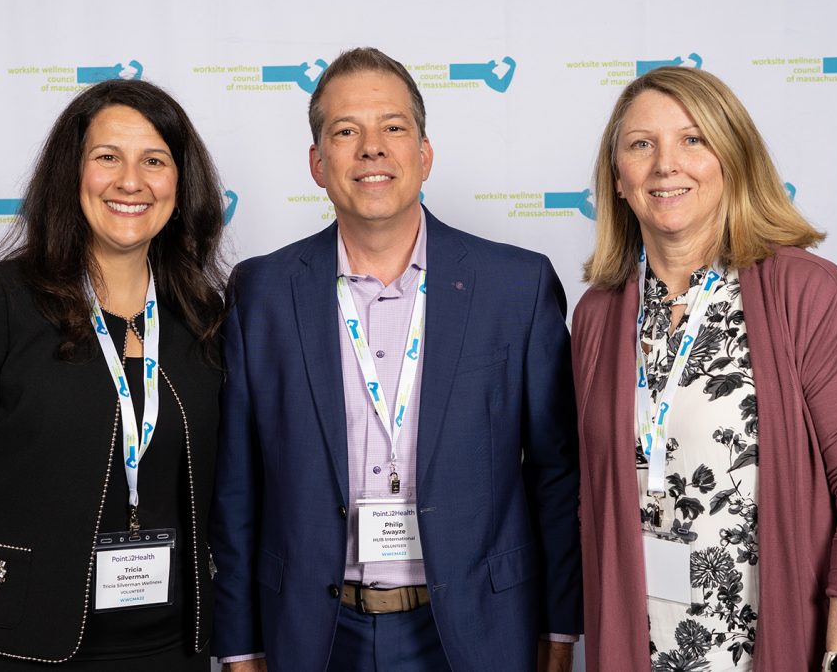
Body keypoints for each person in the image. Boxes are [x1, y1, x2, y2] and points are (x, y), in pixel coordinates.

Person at [210, 47, 582, 672]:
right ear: (317, 163)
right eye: (345, 132)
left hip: (478, 630)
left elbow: (555, 476)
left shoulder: (516, 287)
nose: (372, 149)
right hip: (313, 632)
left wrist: (560, 628)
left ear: (425, 154)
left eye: (393, 127)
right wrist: (240, 645)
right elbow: (238, 487)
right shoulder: (262, 292)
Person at [571, 66, 837, 671]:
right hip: (640, 649)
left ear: (733, 159)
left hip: (778, 649)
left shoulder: (807, 293)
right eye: (641, 144)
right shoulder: (598, 314)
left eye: (693, 139)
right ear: (617, 178)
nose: (666, 164)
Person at [0, 79, 227, 670]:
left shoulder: (204, 319)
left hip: (174, 649)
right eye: (107, 157)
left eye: (154, 161)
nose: (131, 181)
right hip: (21, 649)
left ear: (181, 186)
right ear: (70, 175)